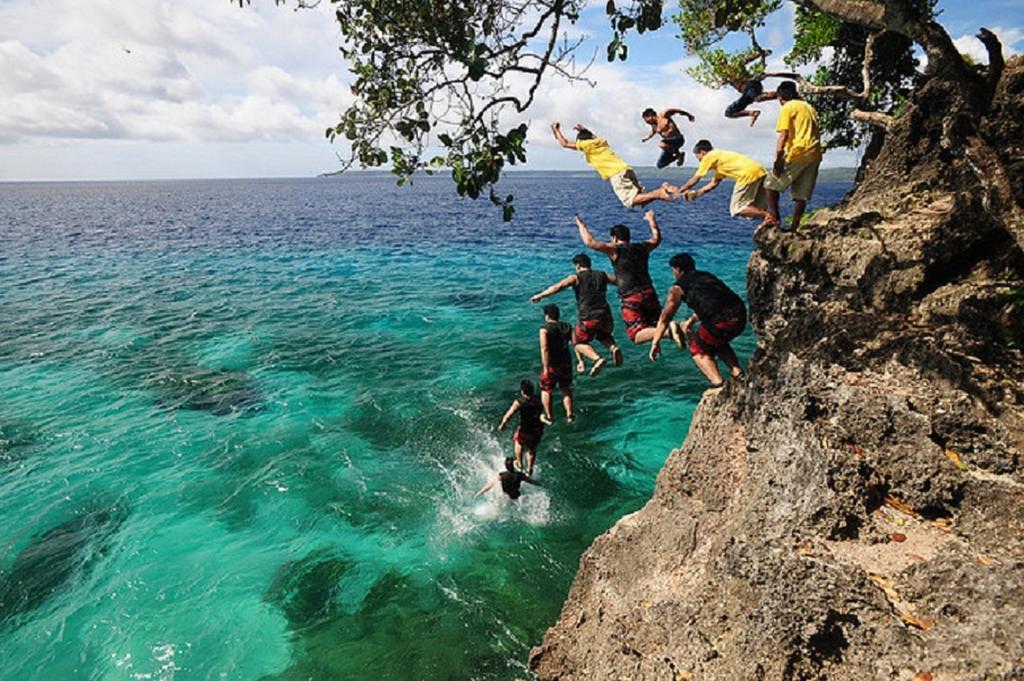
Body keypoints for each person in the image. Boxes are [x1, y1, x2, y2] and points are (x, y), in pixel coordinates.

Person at [575, 210, 671, 349]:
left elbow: (590, 242)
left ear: (614, 238)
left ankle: (670, 331)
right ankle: (672, 330)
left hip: (631, 297)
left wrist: (580, 225)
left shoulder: (615, 250)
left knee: (636, 335)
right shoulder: (643, 247)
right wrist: (651, 220)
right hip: (649, 293)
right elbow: (657, 238)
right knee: (654, 326)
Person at [649, 253, 747, 388]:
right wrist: (691, 320)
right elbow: (712, 301)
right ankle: (738, 373)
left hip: (721, 322)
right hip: (740, 316)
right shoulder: (706, 276)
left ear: (678, 270)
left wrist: (655, 342)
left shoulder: (677, 289)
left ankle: (719, 385)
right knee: (715, 340)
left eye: (673, 271)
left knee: (698, 349)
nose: (673, 274)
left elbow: (665, 318)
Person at [530, 253, 623, 376]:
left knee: (577, 342)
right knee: (602, 335)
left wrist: (540, 295)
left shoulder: (576, 278)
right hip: (606, 317)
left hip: (588, 317)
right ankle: (613, 347)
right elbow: (621, 282)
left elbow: (558, 287)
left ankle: (597, 358)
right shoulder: (603, 275)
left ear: (578, 265)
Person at [550, 122, 675, 208]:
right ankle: (664, 188)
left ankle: (658, 193)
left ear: (581, 141)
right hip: (626, 169)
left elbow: (565, 143)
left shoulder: (586, 144)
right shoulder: (600, 141)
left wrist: (556, 130)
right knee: (640, 202)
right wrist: (584, 129)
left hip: (616, 174)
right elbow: (592, 135)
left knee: (629, 201)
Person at [669, 139, 778, 229]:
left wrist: (680, 190)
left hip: (747, 175)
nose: (700, 161)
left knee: (737, 209)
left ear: (702, 152)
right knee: (752, 210)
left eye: (699, 158)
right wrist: (697, 194)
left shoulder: (709, 156)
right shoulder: (720, 159)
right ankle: (771, 222)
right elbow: (713, 184)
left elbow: (696, 178)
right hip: (760, 173)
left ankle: (768, 215)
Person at [764, 80, 823, 232]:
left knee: (770, 185)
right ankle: (793, 229)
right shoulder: (809, 107)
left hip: (798, 152)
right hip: (815, 154)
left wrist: (778, 159)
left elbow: (784, 134)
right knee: (800, 196)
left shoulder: (788, 107)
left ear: (781, 97)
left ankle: (775, 220)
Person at [497, 380, 546, 476]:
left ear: (522, 391)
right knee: (531, 449)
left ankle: (519, 463)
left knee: (518, 441)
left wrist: (503, 424)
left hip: (525, 429)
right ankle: (529, 469)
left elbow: (509, 415)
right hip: (537, 429)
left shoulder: (519, 402)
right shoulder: (540, 400)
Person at [538, 304, 575, 425]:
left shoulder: (544, 329)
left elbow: (545, 348)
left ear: (547, 315)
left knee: (546, 389)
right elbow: (575, 343)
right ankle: (569, 415)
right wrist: (580, 361)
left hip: (552, 365)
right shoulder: (567, 326)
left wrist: (545, 367)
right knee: (565, 388)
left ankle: (549, 416)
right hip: (566, 363)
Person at [723, 48, 777, 127]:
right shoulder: (726, 77)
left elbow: (747, 60)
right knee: (729, 113)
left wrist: (761, 54)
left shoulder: (735, 68)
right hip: (747, 95)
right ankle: (752, 113)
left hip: (752, 86)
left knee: (758, 98)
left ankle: (781, 93)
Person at [474, 457, 540, 500]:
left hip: (506, 495)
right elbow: (531, 481)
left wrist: (480, 492)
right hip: (516, 495)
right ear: (514, 466)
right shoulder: (519, 475)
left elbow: (490, 485)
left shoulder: (501, 475)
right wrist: (539, 484)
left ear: (506, 466)